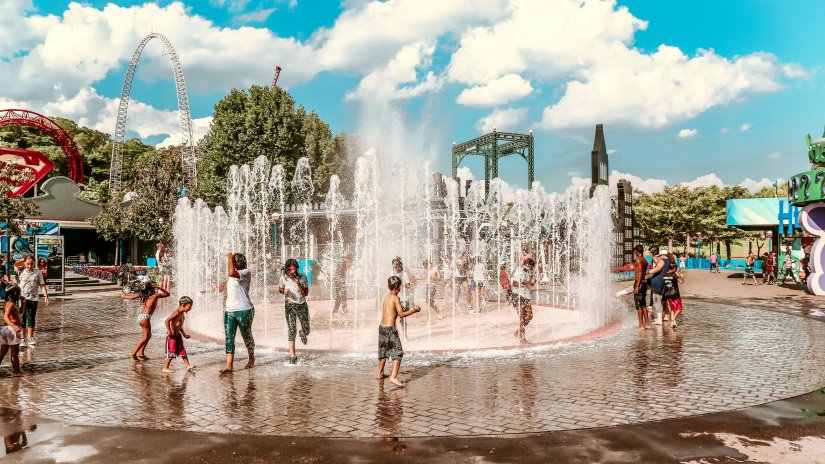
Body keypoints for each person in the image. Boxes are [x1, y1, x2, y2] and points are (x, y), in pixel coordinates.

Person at [377, 275, 421, 388]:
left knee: (383, 352)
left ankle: (380, 373)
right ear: (399, 288)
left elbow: (394, 311)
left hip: (382, 328)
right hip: (390, 330)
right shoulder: (396, 298)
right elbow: (401, 314)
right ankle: (393, 377)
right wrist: (414, 311)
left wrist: (406, 309)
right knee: (398, 353)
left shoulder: (386, 298)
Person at [221, 252, 255, 373]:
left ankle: (251, 358)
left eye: (232, 262)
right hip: (229, 310)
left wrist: (229, 256)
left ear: (236, 263)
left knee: (246, 335)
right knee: (229, 338)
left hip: (244, 310)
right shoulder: (232, 275)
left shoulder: (246, 272)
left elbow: (231, 272)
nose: (230, 264)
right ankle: (229, 365)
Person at [120, 279, 169, 360]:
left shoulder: (144, 295)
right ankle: (133, 353)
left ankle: (141, 353)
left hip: (142, 317)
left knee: (148, 335)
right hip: (145, 317)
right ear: (151, 289)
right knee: (145, 337)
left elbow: (132, 297)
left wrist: (124, 297)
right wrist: (159, 287)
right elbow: (167, 294)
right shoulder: (154, 296)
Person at [279, 258, 309, 365]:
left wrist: (298, 284)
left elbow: (306, 293)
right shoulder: (284, 278)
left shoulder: (303, 277)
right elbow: (280, 289)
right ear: (287, 269)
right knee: (292, 329)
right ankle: (292, 355)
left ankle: (303, 332)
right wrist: (284, 291)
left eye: (294, 269)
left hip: (302, 305)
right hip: (290, 305)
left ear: (297, 268)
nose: (292, 272)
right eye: (290, 270)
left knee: (307, 329)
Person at [17, 256, 49, 347]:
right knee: (23, 318)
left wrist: (46, 296)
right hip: (22, 299)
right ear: (24, 264)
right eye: (27, 264)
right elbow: (16, 284)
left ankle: (30, 337)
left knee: (31, 317)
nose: (29, 266)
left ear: (34, 263)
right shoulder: (20, 272)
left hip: (33, 299)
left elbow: (42, 285)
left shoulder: (37, 273)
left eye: (31, 264)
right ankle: (22, 339)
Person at [162, 296, 195, 373]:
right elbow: (167, 321)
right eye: (189, 307)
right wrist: (169, 331)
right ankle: (165, 367)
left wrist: (184, 334)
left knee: (182, 350)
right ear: (183, 305)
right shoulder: (176, 312)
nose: (190, 309)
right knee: (172, 351)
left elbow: (179, 325)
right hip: (172, 336)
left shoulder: (182, 314)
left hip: (177, 335)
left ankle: (187, 365)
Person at [511, 258, 536, 343]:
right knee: (522, 317)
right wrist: (525, 282)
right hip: (517, 295)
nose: (532, 269)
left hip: (526, 295)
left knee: (529, 316)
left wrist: (532, 282)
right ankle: (522, 338)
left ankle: (519, 331)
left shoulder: (530, 272)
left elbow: (532, 283)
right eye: (531, 267)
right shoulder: (519, 271)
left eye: (532, 267)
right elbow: (513, 283)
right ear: (527, 265)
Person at [0, 286, 23, 375]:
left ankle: (17, 371)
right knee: (14, 353)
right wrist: (14, 326)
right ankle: (17, 372)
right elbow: (5, 317)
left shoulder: (10, 303)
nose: (20, 295)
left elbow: (17, 314)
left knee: (2, 352)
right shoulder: (11, 304)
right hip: (11, 331)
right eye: (19, 293)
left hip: (6, 330)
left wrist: (23, 303)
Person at [648, 248, 669, 326]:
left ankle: (660, 319)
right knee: (662, 300)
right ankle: (664, 316)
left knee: (657, 300)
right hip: (663, 281)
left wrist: (648, 272)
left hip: (658, 281)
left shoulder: (660, 260)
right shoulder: (669, 261)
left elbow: (658, 268)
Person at [632, 245, 650, 330]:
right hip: (644, 283)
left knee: (639, 305)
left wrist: (636, 286)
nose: (634, 252)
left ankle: (641, 325)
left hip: (639, 283)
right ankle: (647, 323)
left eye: (634, 251)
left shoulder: (638, 260)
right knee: (643, 304)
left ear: (636, 251)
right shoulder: (645, 260)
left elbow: (639, 274)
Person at [662, 262, 684, 328]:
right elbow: (681, 282)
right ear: (674, 268)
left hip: (667, 294)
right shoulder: (674, 275)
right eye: (676, 269)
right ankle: (673, 318)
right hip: (675, 294)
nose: (676, 270)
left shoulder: (664, 275)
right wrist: (682, 277)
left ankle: (672, 323)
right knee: (679, 309)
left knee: (672, 309)